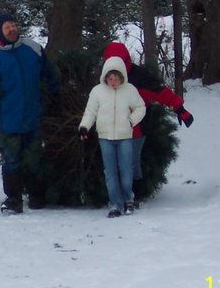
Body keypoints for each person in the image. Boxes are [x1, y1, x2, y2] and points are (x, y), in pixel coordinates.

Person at [0, 13, 60, 214]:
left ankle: (37, 196)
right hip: (7, 120)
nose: (12, 29)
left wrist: (55, 95)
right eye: (8, 26)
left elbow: (49, 74)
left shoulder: (32, 49)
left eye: (14, 25)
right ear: (0, 30)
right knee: (11, 161)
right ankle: (14, 199)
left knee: (35, 158)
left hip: (32, 117)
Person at [102, 42, 194, 206]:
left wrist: (180, 109)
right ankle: (119, 196)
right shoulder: (103, 79)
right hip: (111, 131)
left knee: (130, 163)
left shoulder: (140, 77)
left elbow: (161, 92)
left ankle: (134, 194)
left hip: (136, 130)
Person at [79, 56, 146, 218]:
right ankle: (115, 204)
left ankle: (128, 199)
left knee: (126, 170)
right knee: (110, 172)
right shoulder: (97, 91)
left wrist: (131, 121)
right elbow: (90, 112)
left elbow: (140, 107)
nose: (113, 81)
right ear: (105, 77)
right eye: (110, 78)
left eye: (116, 78)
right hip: (105, 138)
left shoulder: (130, 90)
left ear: (122, 77)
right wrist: (84, 127)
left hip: (125, 137)